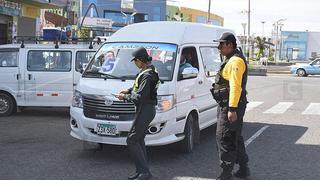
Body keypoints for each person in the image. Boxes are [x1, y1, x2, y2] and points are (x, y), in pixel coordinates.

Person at [115, 47, 160, 180]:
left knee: (132, 139)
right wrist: (128, 91)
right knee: (139, 139)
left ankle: (145, 172)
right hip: (146, 109)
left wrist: (125, 97)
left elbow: (140, 97)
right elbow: (140, 88)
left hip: (145, 109)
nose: (135, 63)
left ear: (141, 60)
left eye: (135, 61)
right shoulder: (149, 71)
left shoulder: (147, 75)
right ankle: (141, 171)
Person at [212, 32, 250, 180]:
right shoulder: (231, 59)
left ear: (229, 44)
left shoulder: (235, 62)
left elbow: (235, 86)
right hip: (228, 104)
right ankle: (243, 169)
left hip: (230, 105)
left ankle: (226, 174)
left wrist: (232, 109)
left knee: (224, 137)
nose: (218, 47)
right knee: (234, 137)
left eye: (221, 44)